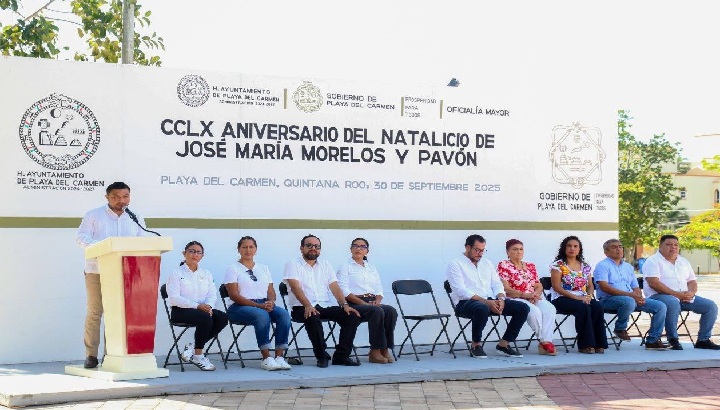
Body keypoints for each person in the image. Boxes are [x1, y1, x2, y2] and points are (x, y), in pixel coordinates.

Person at [76, 181, 148, 369]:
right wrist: (106, 248)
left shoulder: (135, 217)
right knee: (95, 313)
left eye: (125, 196)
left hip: (125, 273)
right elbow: (82, 238)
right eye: (115, 196)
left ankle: (111, 355)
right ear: (107, 197)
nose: (121, 200)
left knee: (117, 314)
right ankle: (91, 355)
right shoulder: (94, 215)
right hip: (96, 271)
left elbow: (142, 241)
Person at [283, 234, 362, 367]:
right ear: (301, 248)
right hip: (301, 308)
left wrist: (345, 305)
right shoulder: (293, 264)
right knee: (312, 315)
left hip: (324, 306)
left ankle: (341, 356)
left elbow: (335, 287)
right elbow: (295, 288)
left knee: (351, 315)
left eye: (317, 246)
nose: (313, 248)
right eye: (309, 245)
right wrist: (308, 305)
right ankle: (321, 356)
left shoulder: (325, 264)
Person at [446, 234, 529, 358]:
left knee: (522, 308)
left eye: (482, 250)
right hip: (465, 303)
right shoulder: (455, 264)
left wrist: (501, 298)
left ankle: (504, 344)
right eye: (477, 250)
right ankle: (476, 345)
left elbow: (497, 284)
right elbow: (460, 290)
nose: (480, 253)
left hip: (490, 300)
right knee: (482, 308)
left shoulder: (486, 263)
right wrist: (486, 302)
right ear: (468, 247)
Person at [223, 236, 292, 371]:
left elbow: (270, 290)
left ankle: (279, 357)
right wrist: (258, 306)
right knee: (261, 315)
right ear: (238, 249)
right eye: (244, 247)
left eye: (251, 247)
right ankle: (266, 358)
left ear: (256, 249)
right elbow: (234, 295)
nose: (248, 250)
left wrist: (271, 302)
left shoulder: (263, 268)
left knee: (283, 314)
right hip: (239, 307)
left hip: (263, 304)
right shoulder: (232, 268)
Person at [642, 234, 720, 350]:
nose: (673, 247)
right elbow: (654, 283)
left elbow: (692, 281)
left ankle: (703, 340)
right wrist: (676, 295)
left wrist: (691, 292)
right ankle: (673, 339)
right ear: (660, 246)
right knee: (672, 302)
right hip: (658, 297)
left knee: (710, 306)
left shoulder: (683, 261)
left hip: (683, 297)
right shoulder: (653, 261)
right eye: (669, 244)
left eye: (676, 245)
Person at [594, 239, 668, 350]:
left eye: (620, 246)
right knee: (628, 301)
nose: (618, 249)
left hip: (631, 300)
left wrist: (638, 297)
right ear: (606, 252)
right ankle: (620, 328)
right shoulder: (602, 266)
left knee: (660, 306)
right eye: (614, 247)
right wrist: (631, 296)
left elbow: (635, 287)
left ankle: (653, 340)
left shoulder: (628, 267)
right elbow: (604, 287)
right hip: (608, 300)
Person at [165, 241, 228, 371]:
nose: (195, 254)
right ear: (184, 253)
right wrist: (198, 306)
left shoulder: (206, 273)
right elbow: (174, 298)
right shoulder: (176, 273)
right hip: (180, 311)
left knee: (222, 317)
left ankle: (193, 348)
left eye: (198, 252)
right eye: (191, 251)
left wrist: (208, 306)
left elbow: (212, 294)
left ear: (202, 256)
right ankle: (198, 356)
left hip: (203, 310)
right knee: (205, 318)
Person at [336, 238, 398, 364]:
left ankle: (385, 348)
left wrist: (377, 300)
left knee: (390, 311)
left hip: (371, 301)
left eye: (362, 247)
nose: (358, 249)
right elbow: (344, 291)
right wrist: (364, 304)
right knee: (376, 311)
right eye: (355, 246)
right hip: (353, 303)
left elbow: (379, 289)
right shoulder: (345, 267)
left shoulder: (371, 268)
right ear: (350, 249)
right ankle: (375, 351)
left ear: (367, 251)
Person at [497, 239, 557, 356]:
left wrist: (536, 295)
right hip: (515, 298)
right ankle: (545, 342)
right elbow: (506, 289)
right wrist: (525, 295)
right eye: (515, 249)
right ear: (507, 252)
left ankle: (546, 342)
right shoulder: (503, 265)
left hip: (533, 297)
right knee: (534, 311)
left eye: (521, 249)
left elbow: (538, 285)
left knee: (550, 309)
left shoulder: (530, 266)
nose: (518, 252)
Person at [549, 235, 608, 354]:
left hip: (582, 298)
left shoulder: (584, 265)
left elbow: (590, 285)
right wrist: (577, 298)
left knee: (597, 306)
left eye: (575, 246)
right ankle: (585, 345)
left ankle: (599, 344)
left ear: (579, 249)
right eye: (569, 246)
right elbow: (556, 287)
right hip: (561, 298)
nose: (572, 248)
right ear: (564, 248)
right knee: (583, 307)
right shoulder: (558, 265)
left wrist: (589, 296)